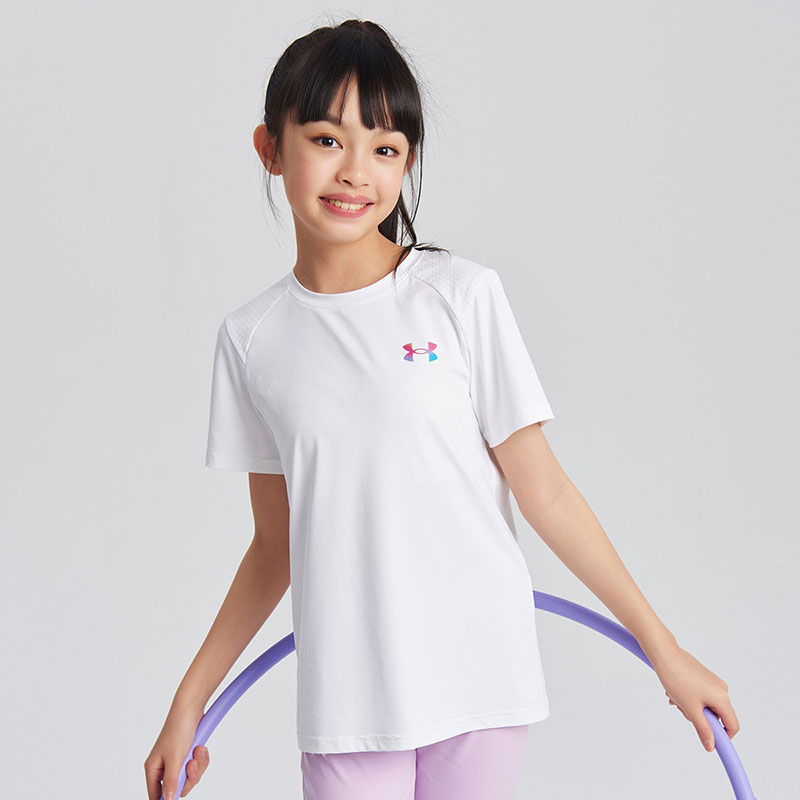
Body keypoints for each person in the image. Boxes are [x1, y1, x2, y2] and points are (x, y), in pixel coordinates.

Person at [144, 18, 741, 800]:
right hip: (347, 701)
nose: (355, 171)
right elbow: (274, 545)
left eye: (385, 149)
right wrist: (188, 703)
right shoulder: (253, 340)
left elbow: (547, 494)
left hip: (479, 678)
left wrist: (666, 652)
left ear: (407, 163)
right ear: (270, 147)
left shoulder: (460, 297)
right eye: (326, 140)